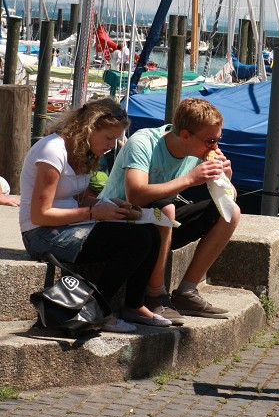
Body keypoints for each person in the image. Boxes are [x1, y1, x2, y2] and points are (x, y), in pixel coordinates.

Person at [19, 99, 170, 332]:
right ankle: (97, 309)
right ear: (90, 128)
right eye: (109, 138)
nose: (112, 145)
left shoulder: (82, 151)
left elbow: (74, 197)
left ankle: (134, 305)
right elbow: (40, 215)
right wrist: (93, 212)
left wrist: (108, 204)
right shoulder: (52, 151)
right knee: (137, 239)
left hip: (68, 225)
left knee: (150, 232)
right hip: (42, 235)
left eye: (116, 139)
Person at [99, 98, 239, 324]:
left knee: (231, 212)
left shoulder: (199, 149)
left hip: (157, 224)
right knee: (166, 209)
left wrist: (225, 181)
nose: (214, 147)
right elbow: (135, 195)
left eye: (218, 140)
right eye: (210, 141)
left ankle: (187, 292)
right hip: (117, 218)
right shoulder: (144, 142)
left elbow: (226, 199)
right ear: (185, 135)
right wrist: (190, 179)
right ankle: (155, 295)